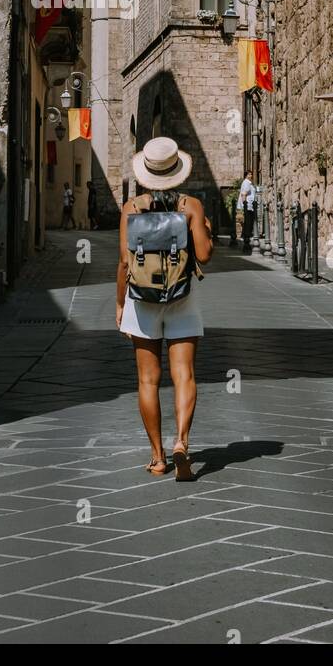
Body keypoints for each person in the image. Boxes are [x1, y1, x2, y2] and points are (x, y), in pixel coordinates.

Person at [116, 137, 213, 481]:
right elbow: (203, 256)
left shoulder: (131, 209)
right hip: (182, 297)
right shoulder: (192, 206)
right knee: (184, 374)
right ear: (178, 172)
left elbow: (125, 263)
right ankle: (182, 442)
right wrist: (207, 233)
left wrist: (119, 303)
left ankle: (157, 457)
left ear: (145, 173)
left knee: (147, 379)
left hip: (142, 299)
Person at [238, 170, 256, 252]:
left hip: (250, 205)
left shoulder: (248, 183)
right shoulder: (247, 183)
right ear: (246, 175)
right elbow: (244, 194)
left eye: (251, 174)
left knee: (248, 222)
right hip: (248, 206)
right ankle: (246, 237)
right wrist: (245, 204)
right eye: (249, 174)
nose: (251, 175)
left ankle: (246, 236)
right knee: (248, 222)